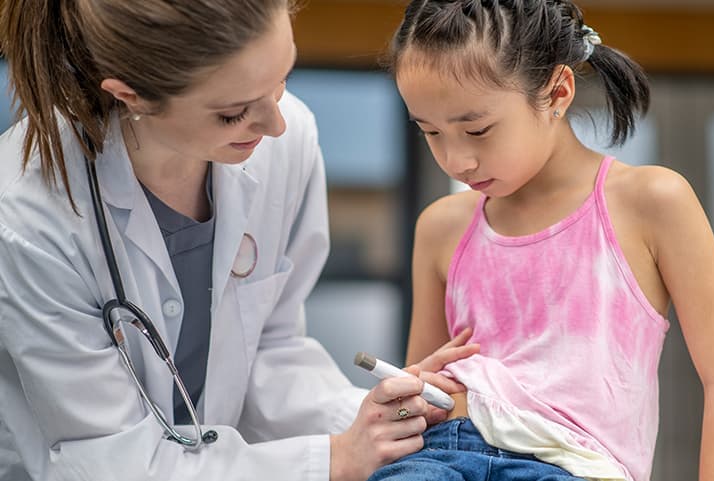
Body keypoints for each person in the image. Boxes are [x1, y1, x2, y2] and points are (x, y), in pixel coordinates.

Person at [0, 1, 478, 480]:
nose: (276, 124)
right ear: (132, 96)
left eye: (281, 81)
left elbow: (270, 351)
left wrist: (374, 423)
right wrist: (337, 458)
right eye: (233, 113)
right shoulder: (30, 215)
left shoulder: (284, 144)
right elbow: (109, 460)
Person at [369, 1, 714, 481]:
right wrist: (400, 398)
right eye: (430, 131)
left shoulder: (651, 202)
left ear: (557, 93)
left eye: (477, 129)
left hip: (572, 465)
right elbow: (415, 391)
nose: (456, 160)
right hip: (441, 452)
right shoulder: (441, 226)